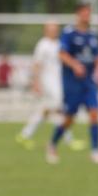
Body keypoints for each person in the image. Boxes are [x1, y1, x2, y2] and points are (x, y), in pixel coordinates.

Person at [46, 3, 98, 165]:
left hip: (88, 82)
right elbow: (62, 54)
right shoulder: (69, 33)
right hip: (72, 83)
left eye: (89, 13)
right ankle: (52, 145)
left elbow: (96, 57)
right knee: (69, 119)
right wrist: (75, 65)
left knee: (94, 113)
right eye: (84, 13)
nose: (87, 16)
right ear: (78, 14)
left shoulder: (93, 35)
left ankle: (95, 152)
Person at [16, 21, 84, 151]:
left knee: (47, 110)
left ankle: (25, 134)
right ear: (46, 30)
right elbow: (37, 64)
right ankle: (68, 139)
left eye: (56, 28)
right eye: (51, 29)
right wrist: (36, 82)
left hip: (59, 81)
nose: (54, 31)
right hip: (48, 81)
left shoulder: (59, 44)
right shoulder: (43, 45)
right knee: (60, 108)